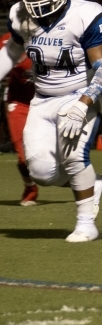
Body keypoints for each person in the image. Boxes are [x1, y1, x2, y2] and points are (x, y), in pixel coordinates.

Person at [0, 0, 102, 242]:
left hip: (78, 95)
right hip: (42, 99)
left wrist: (83, 103)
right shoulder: (20, 15)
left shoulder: (87, 15)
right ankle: (92, 183)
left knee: (74, 157)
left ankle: (86, 223)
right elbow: (12, 52)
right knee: (41, 172)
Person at [1, 32, 37, 205]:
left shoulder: (55, 38)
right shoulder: (8, 40)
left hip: (47, 101)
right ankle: (30, 187)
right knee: (23, 157)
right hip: (19, 103)